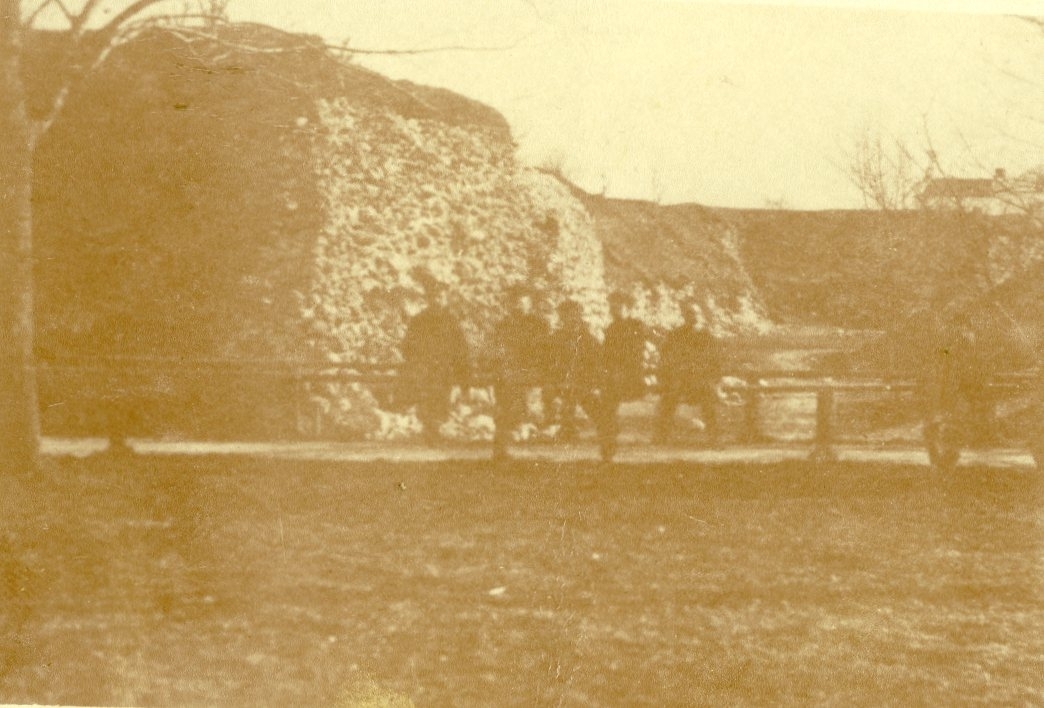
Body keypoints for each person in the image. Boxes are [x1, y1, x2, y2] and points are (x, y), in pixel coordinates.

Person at [399, 282, 470, 444]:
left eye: (441, 297)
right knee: (427, 398)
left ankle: (434, 430)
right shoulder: (418, 321)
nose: (438, 300)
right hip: (425, 370)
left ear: (445, 299)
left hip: (443, 370)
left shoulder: (451, 321)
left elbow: (461, 349)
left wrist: (462, 374)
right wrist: (419, 361)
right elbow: (407, 347)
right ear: (429, 299)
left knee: (441, 397)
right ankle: (431, 430)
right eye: (434, 297)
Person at [491, 285, 551, 460]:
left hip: (533, 371)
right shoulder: (504, 326)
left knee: (527, 400)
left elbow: (544, 352)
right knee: (505, 400)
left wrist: (535, 368)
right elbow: (499, 351)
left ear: (530, 304)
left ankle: (523, 435)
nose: (518, 306)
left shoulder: (539, 325)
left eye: (522, 303)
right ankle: (502, 446)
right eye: (515, 303)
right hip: (511, 373)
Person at [654, 299, 723, 445]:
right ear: (684, 315)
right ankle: (661, 435)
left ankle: (714, 436)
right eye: (690, 313)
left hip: (700, 381)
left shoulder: (707, 337)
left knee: (707, 394)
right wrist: (671, 374)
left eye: (696, 313)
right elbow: (666, 359)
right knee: (669, 395)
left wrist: (710, 378)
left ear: (701, 315)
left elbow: (715, 363)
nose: (694, 316)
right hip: (681, 380)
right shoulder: (676, 335)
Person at [544, 300, 605, 446]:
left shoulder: (588, 339)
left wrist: (587, 379)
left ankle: (601, 426)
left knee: (578, 395)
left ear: (578, 316)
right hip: (562, 380)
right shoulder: (557, 337)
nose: (569, 319)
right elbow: (550, 362)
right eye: (565, 316)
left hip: (584, 381)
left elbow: (597, 362)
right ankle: (566, 428)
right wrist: (557, 378)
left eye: (572, 315)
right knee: (556, 393)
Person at [600, 291, 650, 461]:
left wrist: (619, 370)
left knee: (609, 395)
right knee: (605, 397)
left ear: (628, 308)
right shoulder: (611, 328)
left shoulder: (637, 326)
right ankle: (608, 437)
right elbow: (606, 355)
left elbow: (636, 354)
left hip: (632, 375)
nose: (614, 310)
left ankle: (609, 436)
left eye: (618, 307)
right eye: (612, 307)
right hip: (614, 375)